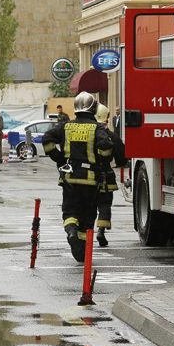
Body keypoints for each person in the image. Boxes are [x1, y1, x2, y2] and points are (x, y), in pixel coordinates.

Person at [42, 91, 115, 262]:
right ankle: (81, 249)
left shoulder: (66, 126)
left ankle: (71, 232)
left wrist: (59, 160)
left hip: (69, 178)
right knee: (88, 215)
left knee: (70, 212)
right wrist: (102, 162)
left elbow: (47, 139)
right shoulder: (96, 127)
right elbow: (106, 147)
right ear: (93, 108)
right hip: (90, 180)